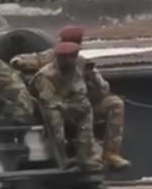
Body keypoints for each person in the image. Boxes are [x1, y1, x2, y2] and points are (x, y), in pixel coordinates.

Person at [13, 26, 130, 171]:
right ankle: (69, 157)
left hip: (80, 103)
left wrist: (92, 80)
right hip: (57, 105)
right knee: (57, 113)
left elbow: (102, 90)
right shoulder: (48, 60)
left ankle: (110, 153)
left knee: (114, 104)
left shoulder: (82, 63)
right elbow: (18, 62)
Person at [33, 42, 101, 172]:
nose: (73, 61)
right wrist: (67, 106)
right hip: (48, 107)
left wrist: (92, 80)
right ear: (60, 59)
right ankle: (61, 157)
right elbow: (48, 100)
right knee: (54, 115)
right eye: (69, 58)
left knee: (86, 107)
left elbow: (80, 91)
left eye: (74, 57)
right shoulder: (46, 75)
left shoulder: (78, 67)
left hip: (67, 103)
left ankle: (83, 155)